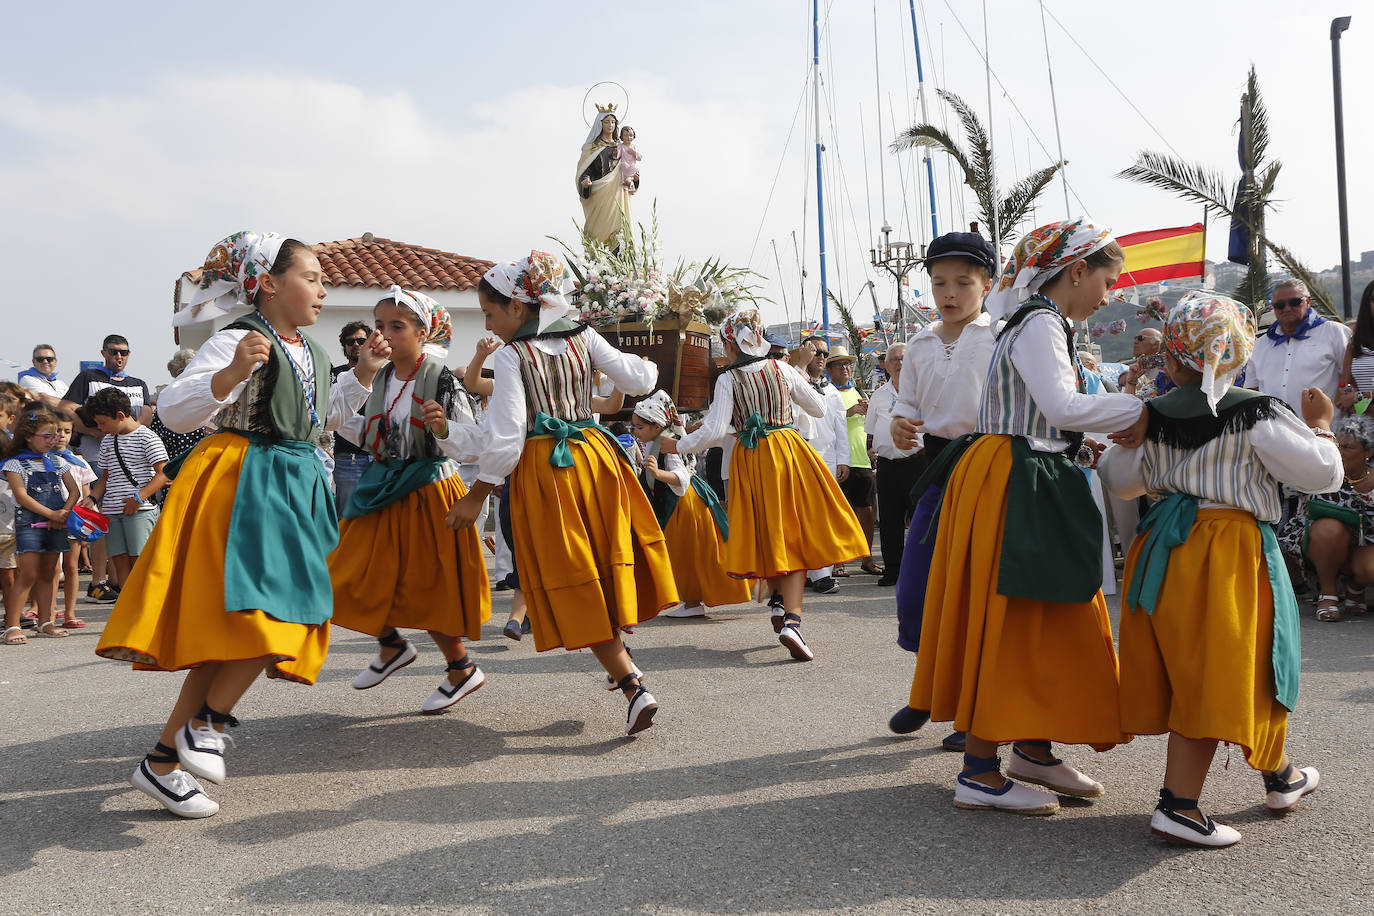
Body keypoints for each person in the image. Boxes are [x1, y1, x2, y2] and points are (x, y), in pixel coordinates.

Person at [95, 231, 386, 818]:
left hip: (296, 481)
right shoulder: (237, 338)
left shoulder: (314, 351)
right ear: (270, 284)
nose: (323, 289)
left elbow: (319, 420)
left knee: (253, 625)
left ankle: (162, 761)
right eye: (313, 277)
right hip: (247, 480)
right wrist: (227, 376)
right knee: (280, 607)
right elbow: (175, 408)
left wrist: (363, 375)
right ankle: (207, 723)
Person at [909, 219, 1147, 815]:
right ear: (1076, 271)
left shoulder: (1039, 320)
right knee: (1015, 613)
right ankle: (980, 768)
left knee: (1046, 611)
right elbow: (1061, 404)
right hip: (1018, 479)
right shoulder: (1041, 322)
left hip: (1021, 471)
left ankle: (1031, 747)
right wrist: (1142, 410)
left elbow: (1054, 414)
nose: (1108, 294)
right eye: (1106, 280)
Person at [1100, 292, 1333, 848]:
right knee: (1231, 664)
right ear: (1236, 355)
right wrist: (1322, 425)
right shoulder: (1257, 411)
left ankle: (1280, 773)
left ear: (1174, 359)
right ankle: (1178, 806)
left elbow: (1121, 482)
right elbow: (1322, 474)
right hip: (1228, 550)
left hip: (1163, 546)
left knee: (1208, 664)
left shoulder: (1148, 417)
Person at [442, 251, 675, 735]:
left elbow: (507, 437)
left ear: (519, 308)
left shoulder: (510, 356)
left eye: (490, 313)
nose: (489, 323)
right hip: (596, 458)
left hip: (548, 473)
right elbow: (639, 379)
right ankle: (624, 662)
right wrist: (642, 367)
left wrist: (476, 494)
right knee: (603, 561)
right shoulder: (583, 336)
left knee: (571, 572)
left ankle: (633, 683)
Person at [663, 309, 868, 660]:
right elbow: (819, 408)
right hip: (788, 451)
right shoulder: (783, 369)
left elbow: (712, 431)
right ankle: (790, 618)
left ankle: (778, 607)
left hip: (752, 457)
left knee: (766, 531)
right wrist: (786, 402)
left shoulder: (729, 379)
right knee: (794, 532)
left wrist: (678, 445)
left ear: (731, 343)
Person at [328, 286, 491, 714]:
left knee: (427, 587)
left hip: (430, 488)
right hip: (384, 483)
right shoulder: (377, 376)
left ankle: (460, 667)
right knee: (345, 570)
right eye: (379, 326)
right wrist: (362, 373)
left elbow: (474, 445)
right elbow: (346, 426)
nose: (383, 335)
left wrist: (442, 431)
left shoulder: (441, 378)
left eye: (396, 326)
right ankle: (391, 644)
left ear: (423, 332)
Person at [884, 232, 999, 747]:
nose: (949, 293)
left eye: (962, 282)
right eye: (939, 283)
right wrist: (899, 424)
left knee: (974, 594)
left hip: (987, 468)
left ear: (987, 286)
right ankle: (930, 690)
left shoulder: (1000, 338)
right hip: (936, 470)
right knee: (916, 591)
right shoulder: (922, 345)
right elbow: (907, 404)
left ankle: (969, 713)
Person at [631, 390, 750, 618]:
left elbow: (682, 478)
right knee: (688, 553)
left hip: (684, 504)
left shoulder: (667, 443)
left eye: (639, 427)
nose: (635, 432)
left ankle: (693, 600)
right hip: (682, 503)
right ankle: (691, 600)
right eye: (635, 427)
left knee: (689, 553)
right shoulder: (657, 441)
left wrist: (657, 473)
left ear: (656, 427)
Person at [60, 334, 150, 604]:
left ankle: (116, 582)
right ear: (104, 352)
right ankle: (98, 581)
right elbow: (65, 407)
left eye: (123, 352)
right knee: (101, 520)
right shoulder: (88, 378)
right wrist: (93, 430)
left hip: (130, 462)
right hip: (96, 458)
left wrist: (131, 432)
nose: (118, 356)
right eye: (113, 352)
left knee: (124, 530)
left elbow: (147, 412)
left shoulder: (138, 383)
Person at [1275, 414, 1374, 621]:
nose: (1339, 452)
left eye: (1347, 447)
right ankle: (1328, 594)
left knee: (1370, 566)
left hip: (1363, 548)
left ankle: (1355, 588)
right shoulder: (1321, 470)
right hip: (1318, 543)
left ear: (1368, 452)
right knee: (1330, 529)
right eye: (1337, 446)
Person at [3, 407, 81, 644]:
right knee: (27, 574)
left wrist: (64, 512)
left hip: (56, 524)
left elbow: (74, 490)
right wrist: (52, 513)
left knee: (50, 573)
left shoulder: (58, 462)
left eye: (54, 435)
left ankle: (46, 621)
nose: (52, 440)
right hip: (31, 524)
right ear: (28, 436)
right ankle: (12, 625)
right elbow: (22, 496)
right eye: (46, 435)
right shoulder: (15, 464)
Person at [86, 388, 169, 588]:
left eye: (103, 422)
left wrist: (139, 498)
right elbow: (105, 478)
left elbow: (164, 473)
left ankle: (144, 607)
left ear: (120, 416)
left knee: (140, 561)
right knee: (119, 561)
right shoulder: (107, 440)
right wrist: (92, 499)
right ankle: (126, 604)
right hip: (112, 512)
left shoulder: (147, 438)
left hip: (140, 511)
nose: (100, 428)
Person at [1247, 278, 1350, 415]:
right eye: (1280, 305)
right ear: (1273, 308)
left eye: (1295, 302)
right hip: (1275, 432)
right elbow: (1251, 392)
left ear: (1308, 302)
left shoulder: (1335, 332)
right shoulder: (1260, 345)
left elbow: (1353, 378)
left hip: (1324, 432)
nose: (1287, 308)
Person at [866, 344, 923, 587]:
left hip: (919, 462)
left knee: (922, 519)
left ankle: (923, 569)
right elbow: (870, 431)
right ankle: (893, 570)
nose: (899, 364)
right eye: (894, 360)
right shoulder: (878, 396)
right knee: (889, 520)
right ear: (885, 365)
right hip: (888, 465)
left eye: (903, 359)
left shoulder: (924, 391)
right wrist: (870, 450)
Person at [828, 346, 882, 576]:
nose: (846, 367)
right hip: (840, 461)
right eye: (840, 364)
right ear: (830, 369)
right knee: (840, 514)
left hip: (862, 459)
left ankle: (866, 558)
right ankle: (838, 562)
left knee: (867, 512)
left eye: (848, 363)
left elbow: (869, 428)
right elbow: (821, 422)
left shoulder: (859, 391)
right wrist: (848, 412)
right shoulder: (827, 392)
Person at [51, 410, 95, 629]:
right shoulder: (40, 458)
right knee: (50, 567)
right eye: (56, 430)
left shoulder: (79, 461)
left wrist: (90, 519)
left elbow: (86, 494)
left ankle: (69, 612)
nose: (61, 435)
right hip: (48, 518)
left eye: (66, 431)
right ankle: (46, 611)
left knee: (71, 566)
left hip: (74, 519)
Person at [331, 321, 375, 514]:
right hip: (348, 459)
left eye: (361, 340)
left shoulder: (383, 375)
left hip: (380, 459)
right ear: (345, 347)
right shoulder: (335, 375)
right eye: (350, 341)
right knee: (347, 517)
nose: (356, 344)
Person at [576, 108, 631, 248]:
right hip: (599, 196)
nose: (610, 125)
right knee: (598, 238)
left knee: (619, 236)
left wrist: (634, 178)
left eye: (613, 122)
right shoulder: (591, 147)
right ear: (600, 124)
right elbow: (585, 170)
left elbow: (629, 166)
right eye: (607, 122)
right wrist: (586, 183)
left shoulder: (621, 146)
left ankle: (621, 268)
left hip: (618, 194)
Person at [146, 349, 211, 459]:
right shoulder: (165, 403)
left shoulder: (207, 399)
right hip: (174, 468)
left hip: (199, 464)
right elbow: (155, 440)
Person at [1335, 280, 1374, 417]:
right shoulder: (1355, 344)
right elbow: (1341, 399)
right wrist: (1360, 404)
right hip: (1364, 422)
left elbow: (1353, 399)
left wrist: (1360, 396)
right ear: (1367, 303)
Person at [1117, 328, 1173, 400]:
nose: (1135, 341)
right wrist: (1131, 383)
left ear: (1155, 344)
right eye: (1135, 338)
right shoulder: (1134, 370)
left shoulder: (1166, 373)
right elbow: (1129, 405)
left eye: (1140, 338)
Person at [17, 345, 65, 410]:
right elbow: (45, 400)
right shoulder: (27, 379)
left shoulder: (61, 383)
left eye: (49, 359)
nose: (45, 362)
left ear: (55, 362)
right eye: (40, 359)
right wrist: (70, 407)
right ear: (33, 362)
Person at [617, 125, 642, 193]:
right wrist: (616, 152)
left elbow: (640, 158)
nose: (629, 137)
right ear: (622, 137)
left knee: (634, 168)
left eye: (631, 135)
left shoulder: (633, 147)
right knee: (624, 164)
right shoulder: (621, 146)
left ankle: (630, 180)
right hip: (624, 166)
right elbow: (617, 156)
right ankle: (629, 181)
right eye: (626, 135)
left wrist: (634, 152)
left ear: (633, 136)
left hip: (632, 167)